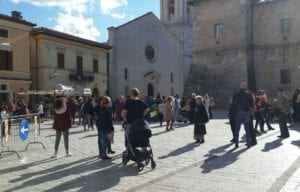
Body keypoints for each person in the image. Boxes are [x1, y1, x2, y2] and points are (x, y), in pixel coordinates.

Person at [231, 82, 254, 148]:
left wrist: (232, 113)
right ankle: (248, 143)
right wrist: (251, 110)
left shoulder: (236, 94)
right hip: (246, 113)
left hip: (238, 113)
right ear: (245, 87)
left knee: (237, 129)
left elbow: (233, 104)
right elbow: (252, 104)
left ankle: (236, 143)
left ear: (240, 87)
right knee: (247, 129)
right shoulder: (248, 94)